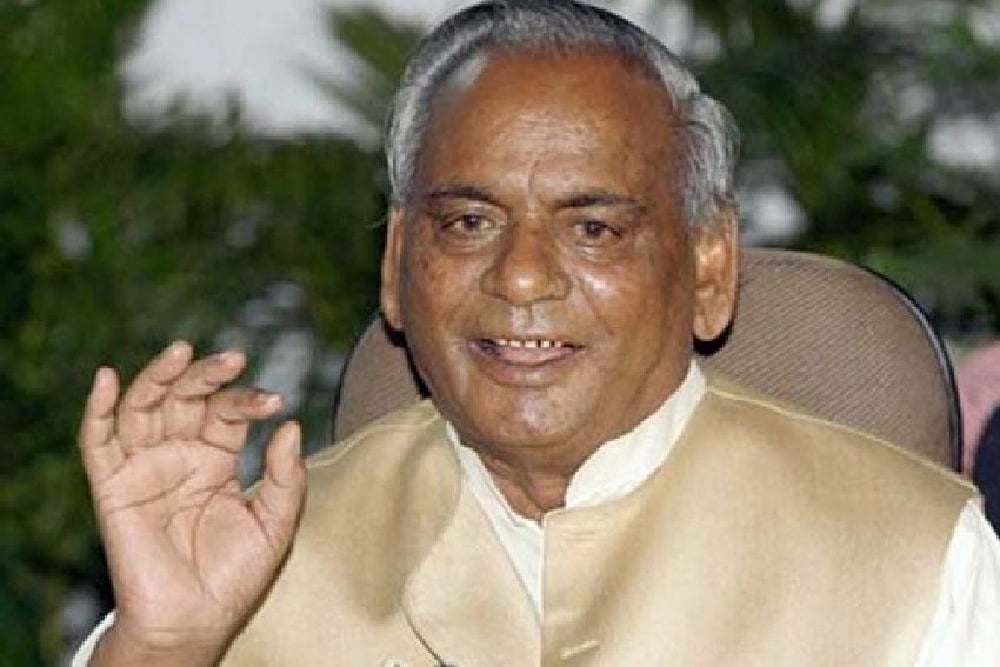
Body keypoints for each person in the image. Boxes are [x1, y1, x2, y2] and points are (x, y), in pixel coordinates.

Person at [75, 1, 1000, 665]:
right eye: (468, 222)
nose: (520, 277)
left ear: (710, 269)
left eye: (593, 228)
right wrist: (162, 646)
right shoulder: (254, 564)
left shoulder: (913, 556)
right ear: (398, 262)